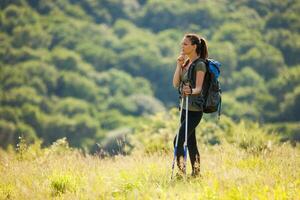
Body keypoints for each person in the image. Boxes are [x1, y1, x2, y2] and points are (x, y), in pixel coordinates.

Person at [172, 33, 208, 177]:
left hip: (195, 110)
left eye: (185, 44)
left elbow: (198, 88)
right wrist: (178, 65)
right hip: (185, 108)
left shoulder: (200, 64)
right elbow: (175, 84)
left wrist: (191, 90)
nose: (182, 46)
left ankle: (181, 173)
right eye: (182, 43)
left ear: (194, 46)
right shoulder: (186, 63)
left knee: (178, 140)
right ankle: (196, 173)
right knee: (191, 143)